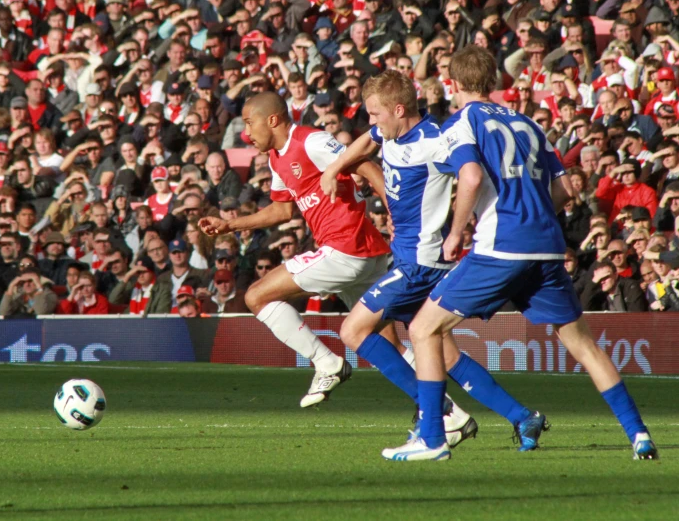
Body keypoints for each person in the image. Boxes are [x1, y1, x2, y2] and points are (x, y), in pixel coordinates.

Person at [396, 46, 657, 462]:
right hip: (547, 248)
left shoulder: (463, 120)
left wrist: (457, 230)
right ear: (496, 82)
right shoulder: (529, 124)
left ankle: (431, 439)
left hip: (502, 246)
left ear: (454, 83)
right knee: (585, 346)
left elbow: (471, 174)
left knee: (423, 329)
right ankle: (639, 435)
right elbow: (562, 189)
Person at [323, 70, 556, 449]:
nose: (372, 122)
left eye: (376, 113)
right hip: (414, 259)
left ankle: (436, 412)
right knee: (443, 353)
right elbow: (367, 141)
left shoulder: (438, 141)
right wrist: (335, 167)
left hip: (422, 263)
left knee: (353, 330)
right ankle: (523, 417)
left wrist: (463, 225)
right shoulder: (389, 131)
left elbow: (473, 174)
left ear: (400, 109)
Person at [200, 91, 391, 407]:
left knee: (256, 295)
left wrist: (396, 211)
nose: (246, 133)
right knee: (384, 341)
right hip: (366, 254)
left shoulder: (311, 141)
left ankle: (326, 362)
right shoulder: (277, 158)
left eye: (250, 122)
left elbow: (365, 165)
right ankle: (446, 412)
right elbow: (281, 212)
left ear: (272, 120)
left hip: (345, 248)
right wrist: (230, 225)